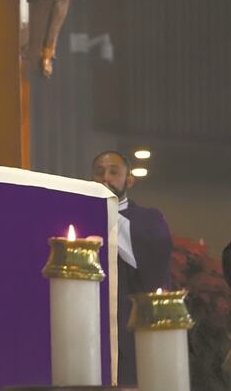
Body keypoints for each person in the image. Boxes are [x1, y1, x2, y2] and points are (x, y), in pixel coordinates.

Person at [92, 150, 172, 386]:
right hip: (94, 321)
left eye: (113, 172)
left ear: (129, 179)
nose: (105, 177)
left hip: (132, 321)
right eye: (99, 172)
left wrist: (110, 214)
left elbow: (154, 263)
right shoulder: (81, 215)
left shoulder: (149, 219)